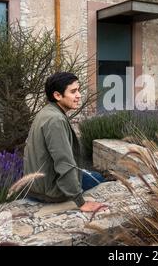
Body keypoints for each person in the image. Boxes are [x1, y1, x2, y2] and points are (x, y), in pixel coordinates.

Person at [23, 72, 107, 212]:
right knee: (99, 179)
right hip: (49, 191)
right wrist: (81, 203)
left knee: (93, 175)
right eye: (73, 91)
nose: (79, 95)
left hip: (37, 185)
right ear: (57, 95)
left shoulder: (47, 112)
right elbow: (64, 162)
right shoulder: (56, 120)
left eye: (78, 90)